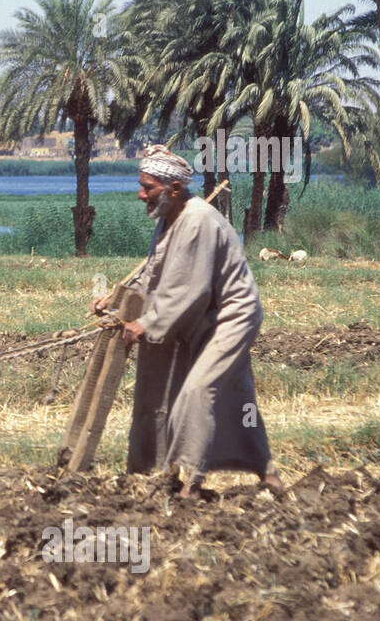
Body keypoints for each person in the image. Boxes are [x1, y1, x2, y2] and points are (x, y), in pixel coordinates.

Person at [91, 144, 283, 499]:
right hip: (205, 316)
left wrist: (147, 324)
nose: (140, 194)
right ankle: (267, 472)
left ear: (174, 189)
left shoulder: (196, 220)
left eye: (148, 187)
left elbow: (187, 288)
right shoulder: (170, 217)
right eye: (142, 185)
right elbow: (155, 273)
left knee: (197, 391)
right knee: (238, 396)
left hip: (231, 316)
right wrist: (116, 301)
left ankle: (191, 482)